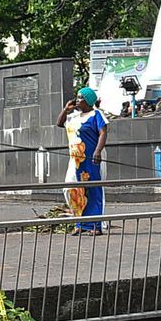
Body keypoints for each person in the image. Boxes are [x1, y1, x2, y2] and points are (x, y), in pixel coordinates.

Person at [56, 87, 107, 235]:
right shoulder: (73, 116)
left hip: (91, 158)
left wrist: (98, 151)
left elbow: (103, 132)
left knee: (92, 190)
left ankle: (95, 225)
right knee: (72, 189)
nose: (77, 100)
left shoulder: (96, 114)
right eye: (77, 97)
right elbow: (59, 123)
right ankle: (80, 223)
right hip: (75, 160)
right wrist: (66, 110)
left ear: (89, 101)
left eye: (80, 98)